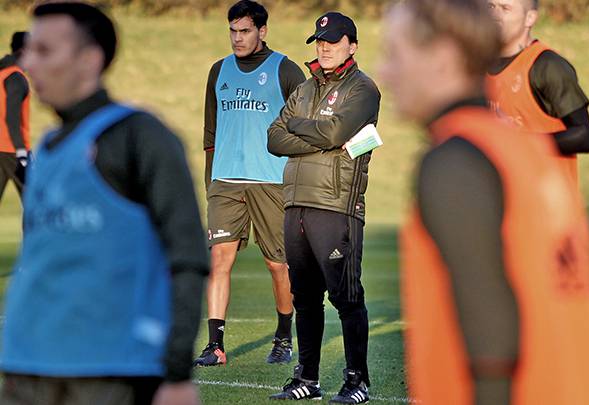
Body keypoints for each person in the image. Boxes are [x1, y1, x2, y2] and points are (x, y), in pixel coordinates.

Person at [379, 0, 589, 404]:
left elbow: (491, 331)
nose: (385, 73)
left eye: (395, 55)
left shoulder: (459, 160)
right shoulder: (520, 151)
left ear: (442, 57)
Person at [0, 3, 208, 405]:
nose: (28, 63)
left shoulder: (140, 137)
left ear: (90, 59)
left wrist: (177, 371)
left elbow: (186, 256)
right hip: (26, 369)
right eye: (28, 51)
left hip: (108, 371)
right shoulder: (44, 149)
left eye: (44, 51)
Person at [267, 11, 380, 404]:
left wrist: (303, 128)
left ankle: (357, 382)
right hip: (295, 202)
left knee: (346, 296)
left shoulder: (363, 89)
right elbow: (274, 138)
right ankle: (308, 378)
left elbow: (335, 132)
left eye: (333, 40)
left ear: (352, 44)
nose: (325, 47)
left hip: (335, 205)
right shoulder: (304, 89)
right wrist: (317, 134)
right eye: (319, 40)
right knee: (304, 297)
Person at [194, 0, 305, 368]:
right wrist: (211, 180)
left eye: (244, 31)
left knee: (278, 265)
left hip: (271, 181)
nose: (237, 38)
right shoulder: (218, 70)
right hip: (225, 182)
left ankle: (284, 336)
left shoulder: (285, 70)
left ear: (262, 31)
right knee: (219, 260)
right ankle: (215, 345)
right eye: (232, 31)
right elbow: (211, 131)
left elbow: (302, 128)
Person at [485, 0, 589, 189]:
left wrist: (523, 143)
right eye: (491, 7)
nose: (495, 15)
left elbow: (584, 136)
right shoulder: (478, 64)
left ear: (530, 18)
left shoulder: (547, 66)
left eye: (505, 8)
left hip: (549, 206)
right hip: (502, 204)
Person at [0, 31, 30, 203]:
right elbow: (12, 116)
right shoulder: (16, 78)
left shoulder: (2, 72)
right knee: (35, 203)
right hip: (12, 149)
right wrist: (21, 150)